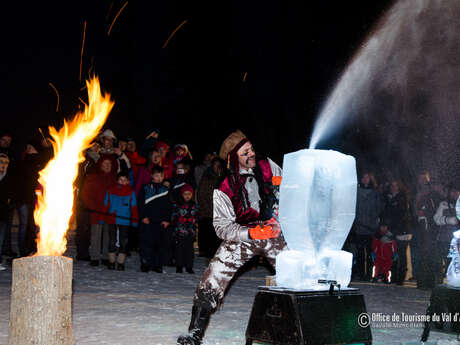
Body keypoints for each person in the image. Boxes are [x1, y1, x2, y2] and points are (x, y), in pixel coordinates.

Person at [177, 130, 285, 345]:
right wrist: (251, 232)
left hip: (274, 232)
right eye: (246, 152)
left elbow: (290, 191)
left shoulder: (266, 165)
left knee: (296, 269)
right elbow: (222, 228)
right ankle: (195, 331)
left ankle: (307, 321)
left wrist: (283, 187)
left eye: (251, 148)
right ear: (233, 158)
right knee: (214, 274)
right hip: (243, 235)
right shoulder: (223, 187)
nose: (252, 154)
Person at [81, 155, 118, 266]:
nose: (107, 166)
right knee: (96, 235)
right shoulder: (93, 177)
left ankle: (106, 256)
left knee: (108, 235)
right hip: (97, 211)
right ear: (100, 165)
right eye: (105, 163)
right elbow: (85, 193)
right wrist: (93, 207)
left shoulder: (115, 179)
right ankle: (95, 257)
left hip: (110, 212)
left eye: (109, 164)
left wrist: (115, 208)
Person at [138, 166, 172, 273]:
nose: (159, 178)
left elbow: (169, 206)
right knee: (146, 243)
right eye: (157, 175)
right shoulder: (146, 188)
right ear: (152, 175)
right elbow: (140, 204)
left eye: (161, 176)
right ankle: (145, 263)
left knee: (159, 244)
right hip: (147, 221)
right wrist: (143, 217)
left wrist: (167, 219)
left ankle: (157, 265)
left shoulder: (165, 190)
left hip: (160, 222)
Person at [351, 171, 384, 281]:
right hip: (359, 226)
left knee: (370, 252)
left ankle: (369, 273)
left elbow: (379, 208)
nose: (365, 179)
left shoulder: (375, 193)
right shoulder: (356, 192)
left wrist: (373, 219)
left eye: (367, 177)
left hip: (370, 227)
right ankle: (361, 273)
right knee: (360, 253)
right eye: (363, 177)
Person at [103, 172, 139, 270]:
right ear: (117, 180)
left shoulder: (131, 192)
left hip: (125, 220)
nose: (122, 182)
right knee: (112, 241)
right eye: (120, 180)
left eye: (124, 180)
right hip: (112, 219)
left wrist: (135, 220)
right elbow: (106, 204)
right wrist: (102, 217)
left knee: (123, 241)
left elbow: (134, 207)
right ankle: (111, 261)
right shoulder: (110, 190)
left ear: (128, 181)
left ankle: (121, 262)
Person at [381, 180, 411, 285]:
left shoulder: (402, 199)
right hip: (392, 230)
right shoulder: (388, 198)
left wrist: (392, 228)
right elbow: (386, 214)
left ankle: (400, 278)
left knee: (401, 254)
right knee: (392, 254)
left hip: (401, 231)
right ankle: (393, 277)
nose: (394, 187)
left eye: (396, 185)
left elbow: (401, 216)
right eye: (392, 185)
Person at [196, 157, 223, 258]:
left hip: (219, 211)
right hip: (207, 210)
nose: (218, 168)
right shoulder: (207, 176)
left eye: (220, 166)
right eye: (216, 165)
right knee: (207, 231)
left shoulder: (223, 178)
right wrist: (206, 208)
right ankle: (206, 251)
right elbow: (201, 193)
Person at [434, 182, 460, 280]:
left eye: (457, 192)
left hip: (457, 240)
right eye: (453, 192)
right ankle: (441, 282)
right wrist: (448, 220)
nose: (455, 194)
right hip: (444, 239)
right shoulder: (444, 204)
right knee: (443, 262)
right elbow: (436, 219)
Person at [172, 184, 199, 274]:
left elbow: (198, 216)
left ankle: (189, 266)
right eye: (185, 194)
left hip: (190, 232)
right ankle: (179, 266)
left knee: (189, 250)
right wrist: (178, 220)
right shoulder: (178, 205)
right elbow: (173, 216)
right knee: (179, 249)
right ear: (182, 195)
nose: (187, 196)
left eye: (189, 194)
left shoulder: (194, 206)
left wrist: (193, 219)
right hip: (180, 231)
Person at [0, 153, 13, 270]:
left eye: (6, 163)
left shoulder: (8, 179)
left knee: (1, 238)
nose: (3, 165)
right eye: (1, 162)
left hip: (2, 214)